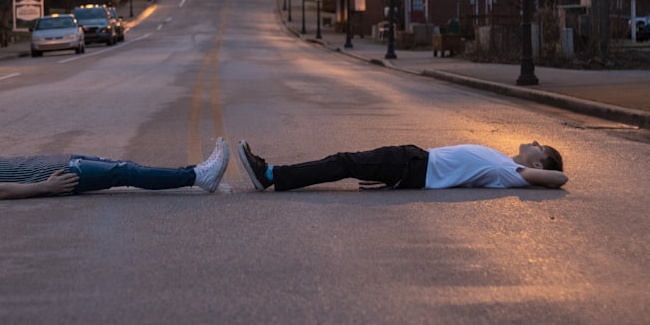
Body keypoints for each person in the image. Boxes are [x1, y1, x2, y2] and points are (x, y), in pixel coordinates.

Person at [0, 138, 229, 200]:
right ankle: (198, 175)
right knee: (128, 173)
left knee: (127, 169)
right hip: (63, 174)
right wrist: (46, 187)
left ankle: (197, 174)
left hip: (64, 164)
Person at [236, 140, 566, 192]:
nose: (532, 140)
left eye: (539, 145)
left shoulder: (513, 173)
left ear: (538, 161)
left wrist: (541, 173)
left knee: (344, 161)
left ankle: (270, 175)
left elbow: (561, 177)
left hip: (413, 166)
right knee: (348, 162)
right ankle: (272, 175)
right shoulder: (505, 162)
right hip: (414, 161)